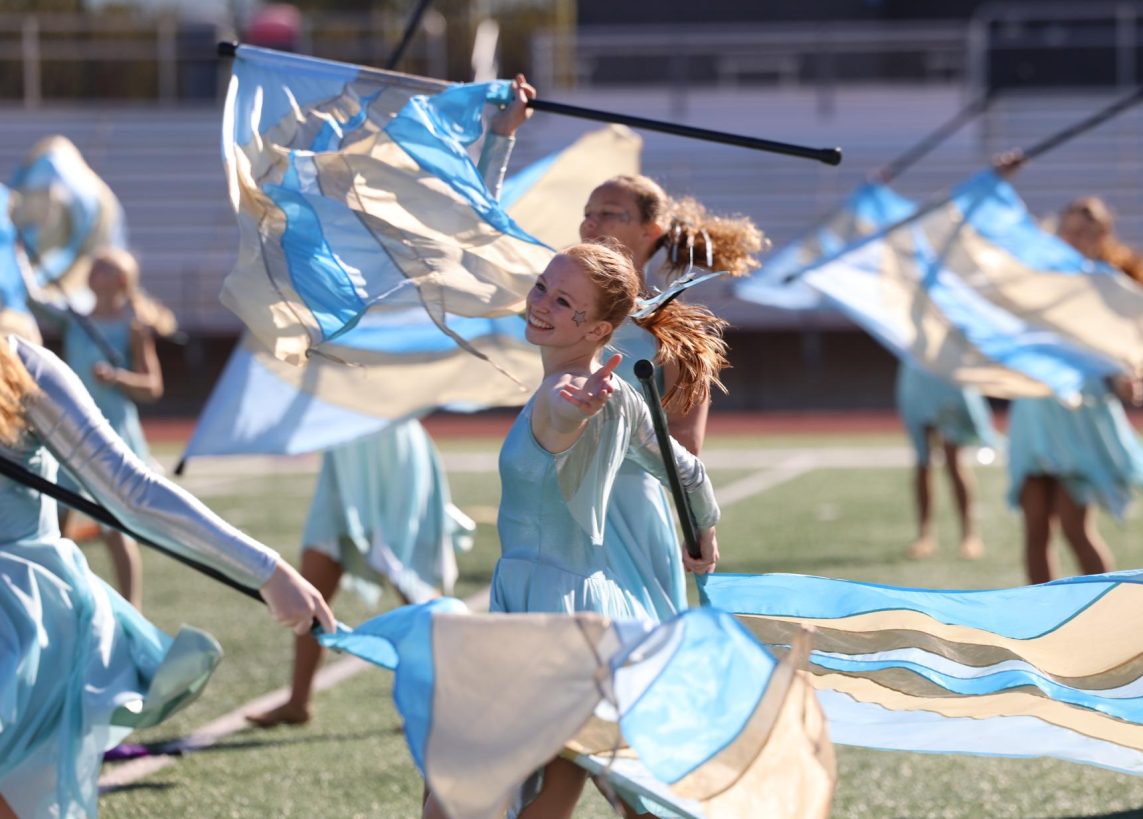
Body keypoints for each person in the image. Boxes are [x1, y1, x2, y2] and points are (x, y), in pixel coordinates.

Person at [248, 74, 537, 729]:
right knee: (316, 567)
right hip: (345, 437)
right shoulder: (325, 249)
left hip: (388, 438)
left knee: (414, 581)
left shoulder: (410, 253)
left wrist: (498, 133)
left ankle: (472, 688)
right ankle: (299, 698)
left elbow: (474, 214)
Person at [0, 333, 334, 819]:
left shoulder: (21, 365)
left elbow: (131, 490)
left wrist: (266, 568)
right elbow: (131, 492)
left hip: (23, 626)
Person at [442, 242, 720, 818]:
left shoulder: (571, 394)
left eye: (562, 300)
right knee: (576, 780)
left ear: (596, 328)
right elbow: (687, 471)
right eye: (543, 286)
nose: (540, 303)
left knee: (467, 788)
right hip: (583, 606)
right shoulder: (619, 393)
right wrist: (706, 527)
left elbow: (559, 420)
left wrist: (574, 409)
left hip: (547, 612)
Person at [578, 174, 762, 621]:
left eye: (609, 213)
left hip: (630, 508)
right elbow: (479, 241)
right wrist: (502, 136)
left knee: (642, 655)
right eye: (588, 213)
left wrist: (700, 521)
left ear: (650, 230)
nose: (591, 223)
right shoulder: (561, 306)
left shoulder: (677, 329)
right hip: (562, 502)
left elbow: (686, 443)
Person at [1007, 195, 1143, 583]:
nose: (1073, 239)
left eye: (1083, 231)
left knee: (1075, 527)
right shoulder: (1043, 276)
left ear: (1101, 234)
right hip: (1035, 405)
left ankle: (1109, 609)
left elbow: (1124, 343)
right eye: (1068, 230)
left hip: (1079, 411)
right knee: (1035, 528)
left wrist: (1128, 374)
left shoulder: (1109, 285)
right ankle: (1040, 617)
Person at [23, 246, 173, 610]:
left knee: (116, 529)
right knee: (54, 523)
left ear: (120, 279)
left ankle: (132, 609)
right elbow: (31, 297)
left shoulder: (132, 325)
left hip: (113, 433)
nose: (94, 269)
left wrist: (118, 377)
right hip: (69, 430)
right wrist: (16, 249)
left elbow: (153, 386)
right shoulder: (74, 318)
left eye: (104, 267)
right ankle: (56, 603)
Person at [896, 360, 997, 560]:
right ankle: (924, 535)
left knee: (954, 462)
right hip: (918, 378)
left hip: (946, 377)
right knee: (923, 462)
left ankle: (969, 534)